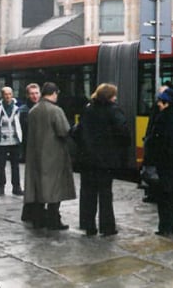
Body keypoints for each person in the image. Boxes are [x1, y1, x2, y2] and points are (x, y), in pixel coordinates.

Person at [75, 83, 129, 237]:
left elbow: (77, 131)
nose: (116, 97)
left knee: (88, 193)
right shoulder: (114, 110)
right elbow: (123, 133)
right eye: (114, 95)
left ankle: (88, 225)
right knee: (105, 194)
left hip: (87, 160)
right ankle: (107, 227)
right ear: (110, 96)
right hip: (106, 161)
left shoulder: (88, 109)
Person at [23, 82, 76, 231]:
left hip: (36, 155)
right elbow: (63, 131)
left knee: (39, 188)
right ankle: (54, 220)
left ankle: (38, 220)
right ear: (54, 93)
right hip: (54, 155)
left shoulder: (33, 110)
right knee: (55, 189)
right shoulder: (56, 110)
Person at [145, 86, 173, 236]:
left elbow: (156, 142)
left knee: (164, 197)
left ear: (166, 103)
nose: (158, 104)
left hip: (165, 165)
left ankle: (165, 227)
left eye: (161, 101)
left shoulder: (162, 118)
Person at [0, 86, 23, 196]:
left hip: (15, 141)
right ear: (2, 95)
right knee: (1, 165)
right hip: (2, 142)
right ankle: (0, 187)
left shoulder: (18, 108)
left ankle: (16, 187)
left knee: (15, 165)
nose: (8, 96)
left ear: (12, 95)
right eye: (5, 94)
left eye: (9, 94)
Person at [18, 83, 40, 163]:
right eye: (32, 93)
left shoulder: (43, 108)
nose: (35, 96)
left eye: (37, 93)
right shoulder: (23, 110)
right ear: (27, 95)